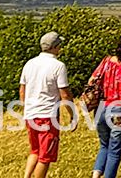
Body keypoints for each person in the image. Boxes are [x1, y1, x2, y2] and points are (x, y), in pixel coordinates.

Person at [88, 30, 121, 178]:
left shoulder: (106, 62)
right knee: (115, 152)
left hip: (101, 108)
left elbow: (91, 81)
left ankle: (95, 175)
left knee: (104, 146)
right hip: (120, 109)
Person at [20, 31, 71, 178]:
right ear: (54, 47)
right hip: (47, 116)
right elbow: (65, 94)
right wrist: (72, 115)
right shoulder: (58, 66)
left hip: (30, 114)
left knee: (35, 151)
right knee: (45, 157)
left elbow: (22, 90)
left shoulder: (29, 63)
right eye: (59, 45)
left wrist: (26, 109)